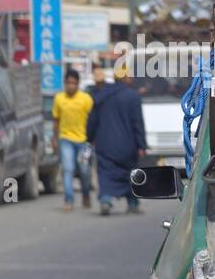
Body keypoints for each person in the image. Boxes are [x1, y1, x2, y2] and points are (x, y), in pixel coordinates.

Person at [87, 51, 148, 215]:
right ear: (126, 78)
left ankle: (106, 199)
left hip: (105, 145)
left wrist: (90, 138)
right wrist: (141, 144)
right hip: (128, 146)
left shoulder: (101, 96)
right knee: (130, 173)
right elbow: (138, 124)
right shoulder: (132, 97)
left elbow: (92, 121)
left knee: (106, 173)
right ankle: (133, 202)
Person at [51, 68, 94, 210]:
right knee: (68, 169)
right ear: (64, 83)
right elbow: (56, 120)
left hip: (84, 141)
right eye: (68, 83)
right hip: (65, 139)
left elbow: (93, 119)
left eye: (73, 83)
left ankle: (86, 194)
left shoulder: (86, 99)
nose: (71, 86)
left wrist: (93, 138)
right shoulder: (59, 98)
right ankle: (68, 199)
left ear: (78, 84)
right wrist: (54, 139)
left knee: (84, 170)